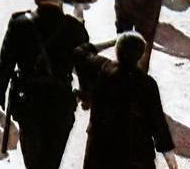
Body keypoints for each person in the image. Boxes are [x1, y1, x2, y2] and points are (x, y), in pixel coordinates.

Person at [0, 0, 89, 169]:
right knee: (51, 162)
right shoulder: (75, 29)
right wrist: (85, 96)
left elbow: (5, 65)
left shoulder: (20, 23)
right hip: (61, 104)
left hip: (29, 103)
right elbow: (85, 69)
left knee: (33, 163)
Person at [74, 33, 179, 169]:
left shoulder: (101, 68)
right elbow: (158, 123)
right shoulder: (147, 84)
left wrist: (111, 42)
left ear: (117, 51)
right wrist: (170, 159)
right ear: (141, 55)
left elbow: (79, 52)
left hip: (100, 154)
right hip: (136, 157)